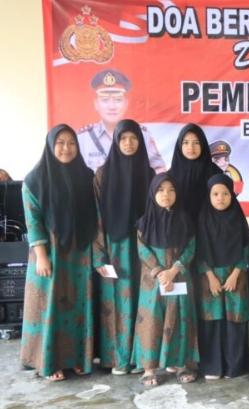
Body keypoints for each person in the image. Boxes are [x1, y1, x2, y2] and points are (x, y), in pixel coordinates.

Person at [20, 124, 97, 381]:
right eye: (61, 143)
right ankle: (49, 362)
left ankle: (77, 358)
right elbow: (33, 221)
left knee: (77, 305)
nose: (66, 148)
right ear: (51, 145)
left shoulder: (86, 176)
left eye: (71, 143)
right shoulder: (34, 180)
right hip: (51, 252)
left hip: (79, 252)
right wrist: (41, 255)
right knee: (51, 305)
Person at [92, 119, 154, 374]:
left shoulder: (149, 175)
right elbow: (96, 217)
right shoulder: (102, 175)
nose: (129, 143)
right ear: (116, 142)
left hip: (143, 251)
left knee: (143, 302)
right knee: (117, 304)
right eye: (123, 138)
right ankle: (118, 358)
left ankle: (142, 358)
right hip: (114, 250)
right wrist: (99, 256)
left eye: (134, 138)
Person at [131, 173, 198, 386]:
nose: (166, 194)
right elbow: (142, 250)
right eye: (160, 190)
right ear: (153, 193)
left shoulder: (185, 220)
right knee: (151, 321)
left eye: (171, 190)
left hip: (179, 277)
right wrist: (161, 272)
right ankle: (149, 368)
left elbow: (190, 248)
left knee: (180, 319)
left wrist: (174, 270)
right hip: (152, 281)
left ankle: (181, 365)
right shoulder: (144, 223)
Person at [196, 174, 249, 379]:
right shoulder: (202, 219)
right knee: (212, 321)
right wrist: (210, 277)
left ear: (232, 195)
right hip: (209, 279)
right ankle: (213, 367)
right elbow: (198, 251)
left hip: (235, 278)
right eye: (216, 194)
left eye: (226, 193)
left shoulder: (238, 218)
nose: (220, 198)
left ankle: (235, 367)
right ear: (209, 196)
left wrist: (235, 274)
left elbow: (247, 249)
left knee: (235, 321)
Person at [77, 69, 166, 173]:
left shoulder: (142, 135)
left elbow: (159, 169)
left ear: (126, 103)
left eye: (118, 100)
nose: (112, 106)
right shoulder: (83, 138)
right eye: (105, 100)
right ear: (96, 104)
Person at [168, 123, 222, 222]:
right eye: (186, 142)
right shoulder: (169, 176)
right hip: (180, 228)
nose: (191, 147)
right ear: (179, 145)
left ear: (203, 144)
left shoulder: (216, 173)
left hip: (210, 227)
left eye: (196, 143)